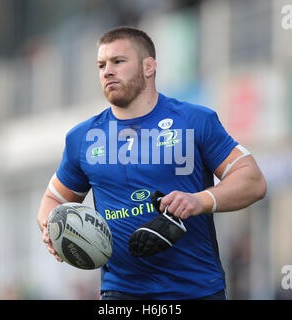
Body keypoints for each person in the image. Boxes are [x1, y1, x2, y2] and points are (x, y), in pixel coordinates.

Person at [37, 26, 267, 300]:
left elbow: (252, 180)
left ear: (149, 66)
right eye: (101, 65)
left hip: (197, 290)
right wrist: (54, 228)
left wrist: (199, 200)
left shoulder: (194, 120)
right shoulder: (83, 137)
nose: (107, 71)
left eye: (118, 61)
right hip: (121, 293)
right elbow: (51, 200)